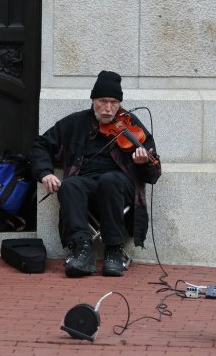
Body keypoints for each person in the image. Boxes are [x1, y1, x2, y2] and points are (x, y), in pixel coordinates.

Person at [29, 71, 162, 277]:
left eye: (114, 102)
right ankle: (82, 250)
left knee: (110, 180)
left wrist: (143, 163)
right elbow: (41, 144)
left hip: (119, 187)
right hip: (86, 185)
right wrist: (45, 173)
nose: (108, 109)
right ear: (93, 100)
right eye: (103, 101)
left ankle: (113, 250)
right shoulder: (75, 123)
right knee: (70, 184)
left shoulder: (131, 126)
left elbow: (153, 175)